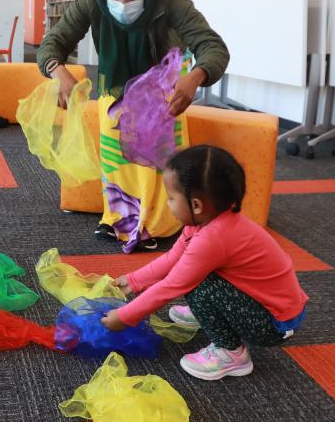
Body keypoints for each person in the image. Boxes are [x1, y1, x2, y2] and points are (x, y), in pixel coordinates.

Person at [38, 0, 229, 252]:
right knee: (117, 158)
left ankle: (160, 223)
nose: (122, 4)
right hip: (116, 90)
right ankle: (117, 218)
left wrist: (196, 77)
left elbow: (212, 46)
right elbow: (53, 43)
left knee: (159, 164)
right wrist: (57, 71)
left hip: (163, 91)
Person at [100, 146, 309, 381]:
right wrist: (133, 280)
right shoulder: (206, 220)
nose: (168, 205)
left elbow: (173, 285)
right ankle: (211, 314)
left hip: (274, 325)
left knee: (198, 283)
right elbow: (172, 258)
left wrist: (125, 316)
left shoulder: (214, 238)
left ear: (196, 205)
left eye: (171, 198)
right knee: (194, 275)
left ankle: (231, 353)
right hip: (271, 306)